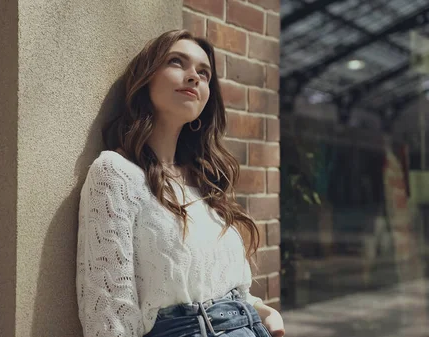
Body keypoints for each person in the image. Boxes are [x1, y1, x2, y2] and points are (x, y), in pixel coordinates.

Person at [76, 29, 285, 337]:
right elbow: (108, 317)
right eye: (178, 62)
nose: (195, 77)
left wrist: (263, 312)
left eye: (204, 73)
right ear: (146, 78)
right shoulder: (116, 174)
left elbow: (226, 289)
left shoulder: (206, 182)